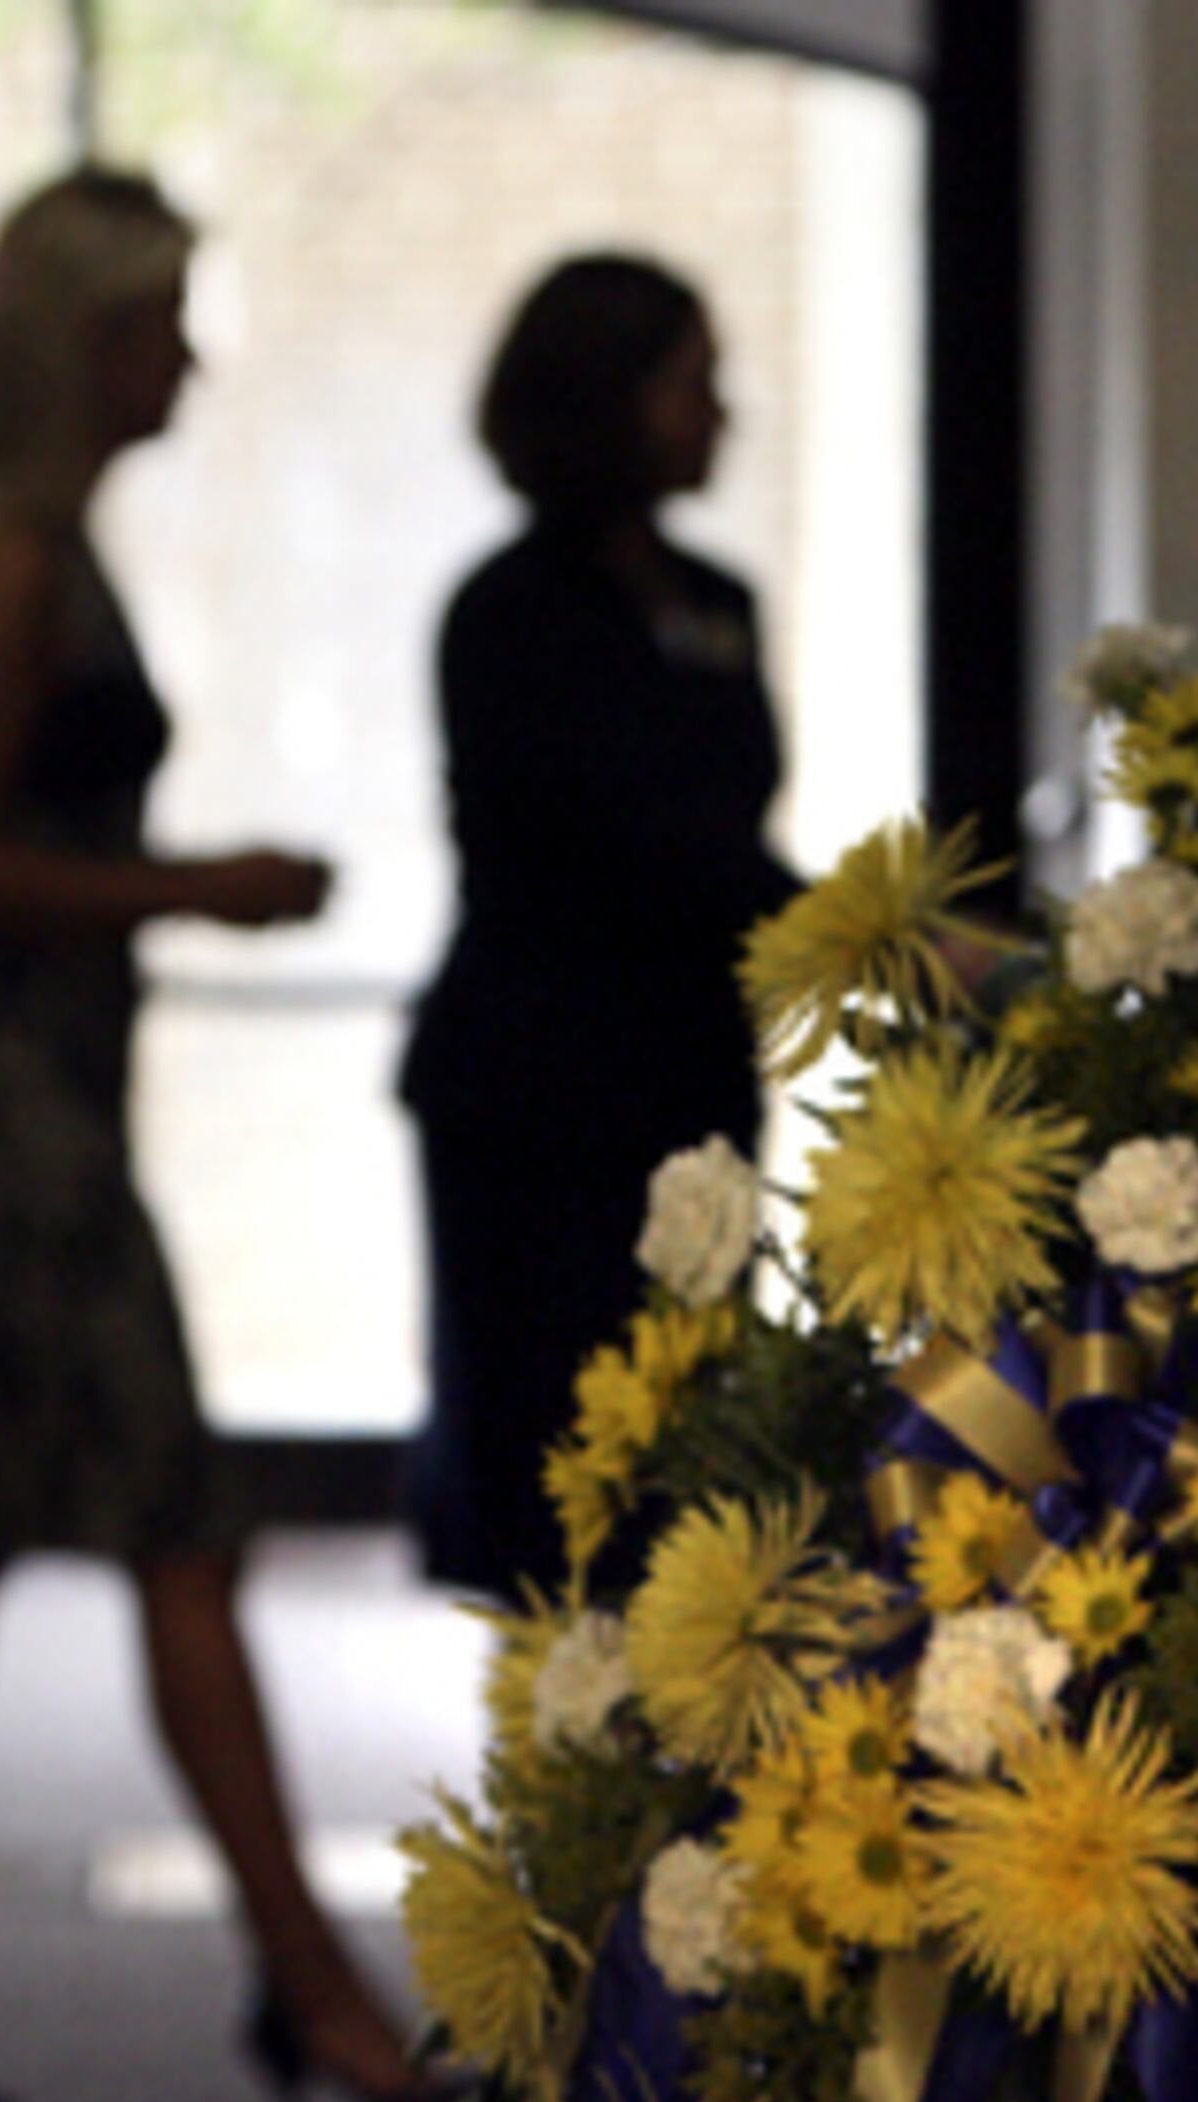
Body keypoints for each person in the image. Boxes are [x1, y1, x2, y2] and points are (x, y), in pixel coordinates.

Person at [0, 167, 449, 2102]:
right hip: (7, 1107)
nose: (184, 361)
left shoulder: (50, 546)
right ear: (79, 345)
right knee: (177, 1522)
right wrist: (202, 885)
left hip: (51, 1091)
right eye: (160, 325)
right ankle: (311, 1974)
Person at [403, 255, 802, 1597]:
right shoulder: (507, 616)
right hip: (540, 1100)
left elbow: (718, 834)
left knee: (693, 1460)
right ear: (605, 400)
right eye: (693, 383)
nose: (721, 413)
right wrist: (879, 934)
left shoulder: (718, 599)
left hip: (688, 1083)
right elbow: (647, 846)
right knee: (554, 1470)